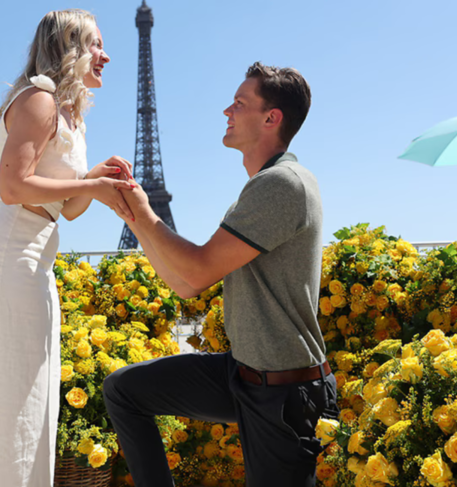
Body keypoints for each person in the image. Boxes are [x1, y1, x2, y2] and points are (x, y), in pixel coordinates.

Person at [104, 62, 339, 487]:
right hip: (244, 374)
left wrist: (142, 210)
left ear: (272, 118)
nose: (226, 111)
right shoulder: (263, 186)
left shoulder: (283, 185)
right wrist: (134, 215)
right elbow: (186, 284)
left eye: (239, 103)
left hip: (285, 392)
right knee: (123, 390)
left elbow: (195, 270)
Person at [0, 10, 135, 487]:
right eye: (96, 44)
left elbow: (67, 210)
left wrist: (94, 180)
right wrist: (92, 185)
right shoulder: (40, 99)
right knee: (10, 402)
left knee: (27, 402)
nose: (106, 55)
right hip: (11, 261)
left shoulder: (69, 113)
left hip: (34, 263)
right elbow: (13, 186)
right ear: (69, 46)